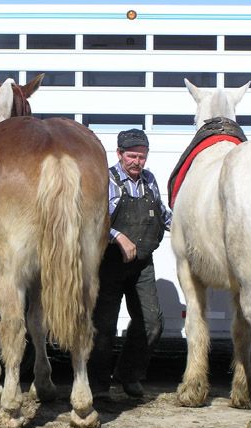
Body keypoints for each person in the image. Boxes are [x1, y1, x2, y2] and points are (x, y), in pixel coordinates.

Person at [88, 128, 172, 399]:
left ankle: (128, 373)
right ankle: (98, 385)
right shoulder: (106, 179)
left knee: (152, 322)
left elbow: (162, 214)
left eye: (142, 157)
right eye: (132, 156)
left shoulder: (149, 180)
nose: (138, 162)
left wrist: (188, 227)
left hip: (142, 265)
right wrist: (117, 235)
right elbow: (94, 220)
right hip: (109, 265)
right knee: (103, 327)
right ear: (119, 154)